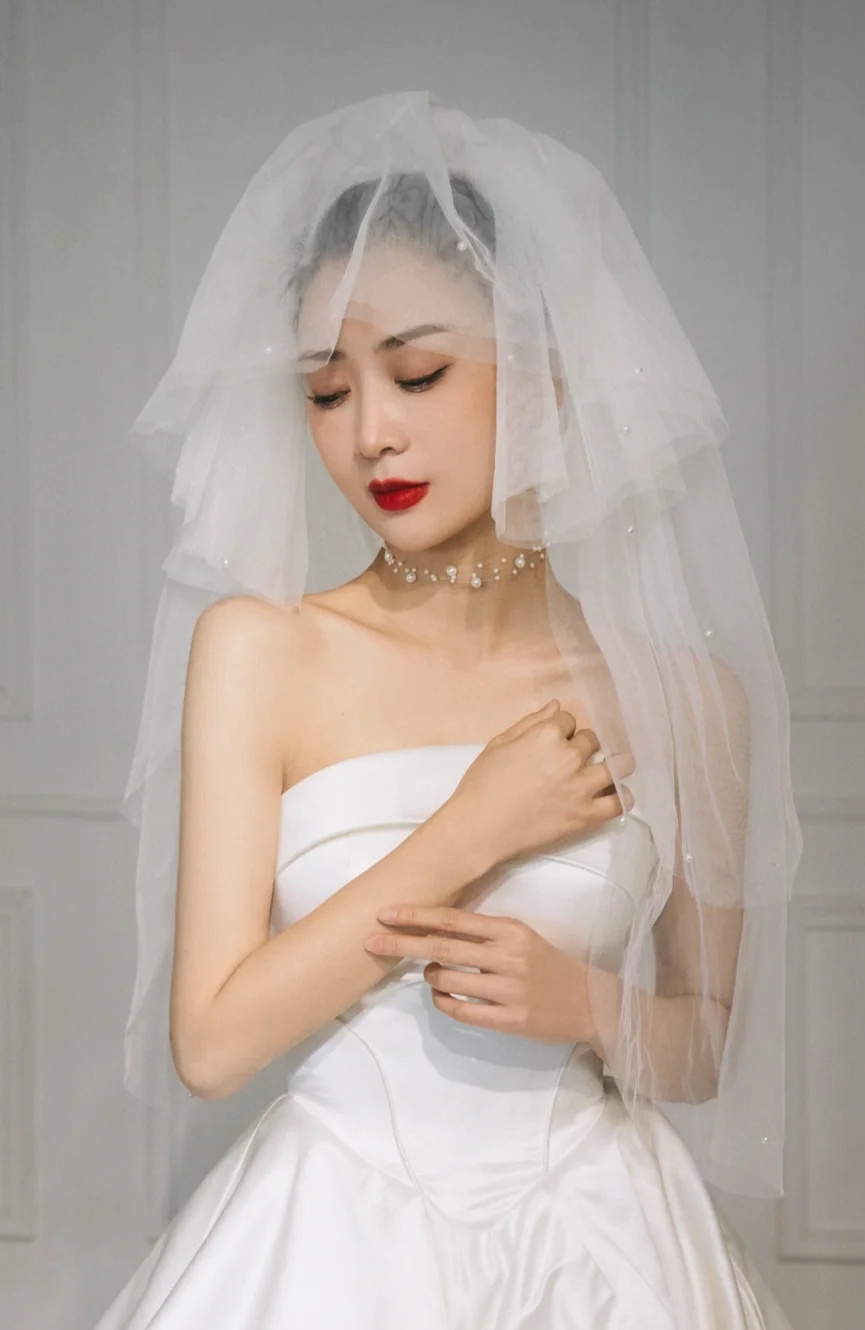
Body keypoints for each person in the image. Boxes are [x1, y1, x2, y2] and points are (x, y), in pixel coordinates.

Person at [93, 91, 803, 1327]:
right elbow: (209, 1043)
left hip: (602, 1250)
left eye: (418, 373)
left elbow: (705, 1042)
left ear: (543, 373)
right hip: (332, 1248)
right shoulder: (262, 651)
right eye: (327, 392)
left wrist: (585, 1003)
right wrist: (474, 828)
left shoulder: (686, 695)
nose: (372, 433)